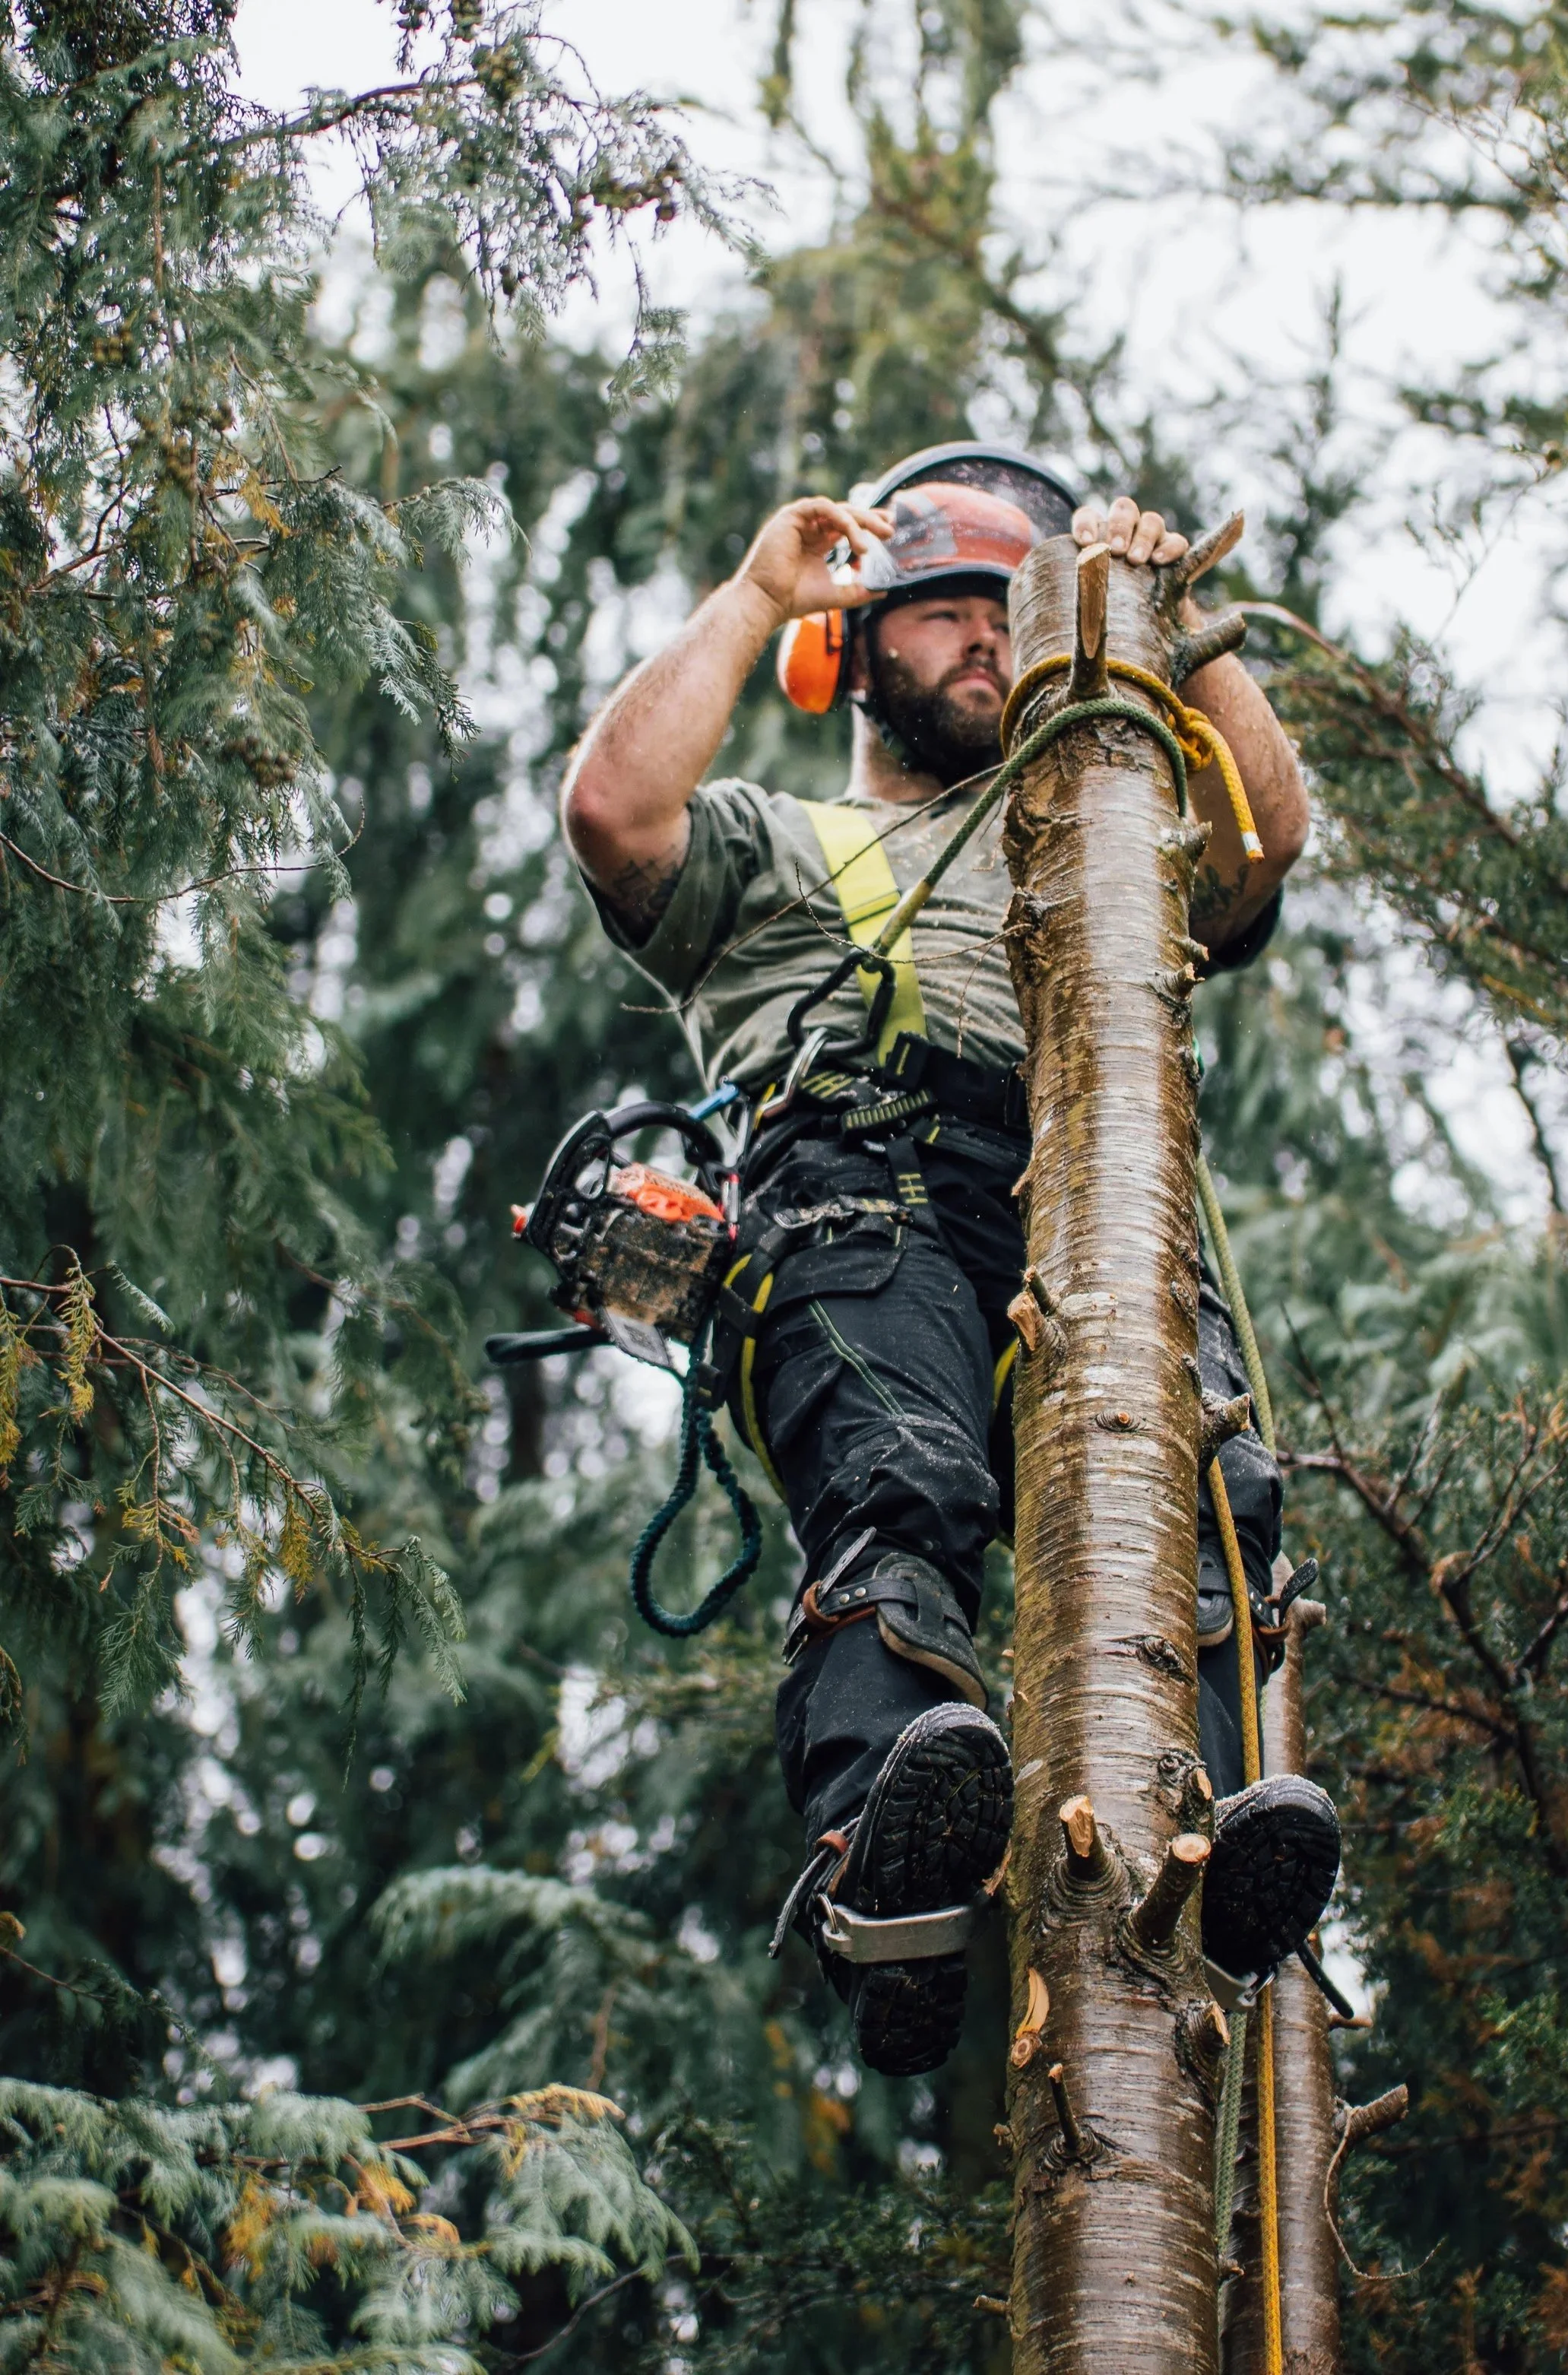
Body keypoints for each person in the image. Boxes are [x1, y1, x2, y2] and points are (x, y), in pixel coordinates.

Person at [561, 444, 1341, 2077]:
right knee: (898, 1477)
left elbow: (1261, 850)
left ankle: (1194, 1853)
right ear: (850, 651)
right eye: (940, 614)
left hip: (1098, 1202)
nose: (986, 641)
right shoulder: (781, 847)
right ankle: (889, 1877)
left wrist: (1177, 626)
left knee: (1199, 1520)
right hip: (865, 1185)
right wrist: (758, 590)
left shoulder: (1104, 848)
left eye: (1008, 610)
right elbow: (613, 813)